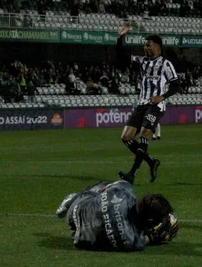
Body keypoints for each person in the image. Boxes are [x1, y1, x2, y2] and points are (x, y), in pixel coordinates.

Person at [116, 24, 181, 184]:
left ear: (157, 46)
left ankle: (132, 174)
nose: (145, 48)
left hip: (156, 106)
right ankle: (152, 162)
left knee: (145, 133)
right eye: (144, 45)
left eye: (148, 45)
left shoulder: (166, 64)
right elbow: (122, 58)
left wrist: (162, 97)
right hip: (142, 103)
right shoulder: (142, 61)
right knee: (126, 137)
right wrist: (120, 38)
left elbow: (176, 85)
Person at [55, 180, 179, 252]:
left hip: (75, 210)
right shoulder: (133, 240)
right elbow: (146, 239)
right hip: (79, 239)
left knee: (104, 185)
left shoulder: (125, 189)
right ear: (150, 220)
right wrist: (154, 236)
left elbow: (105, 189)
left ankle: (71, 200)